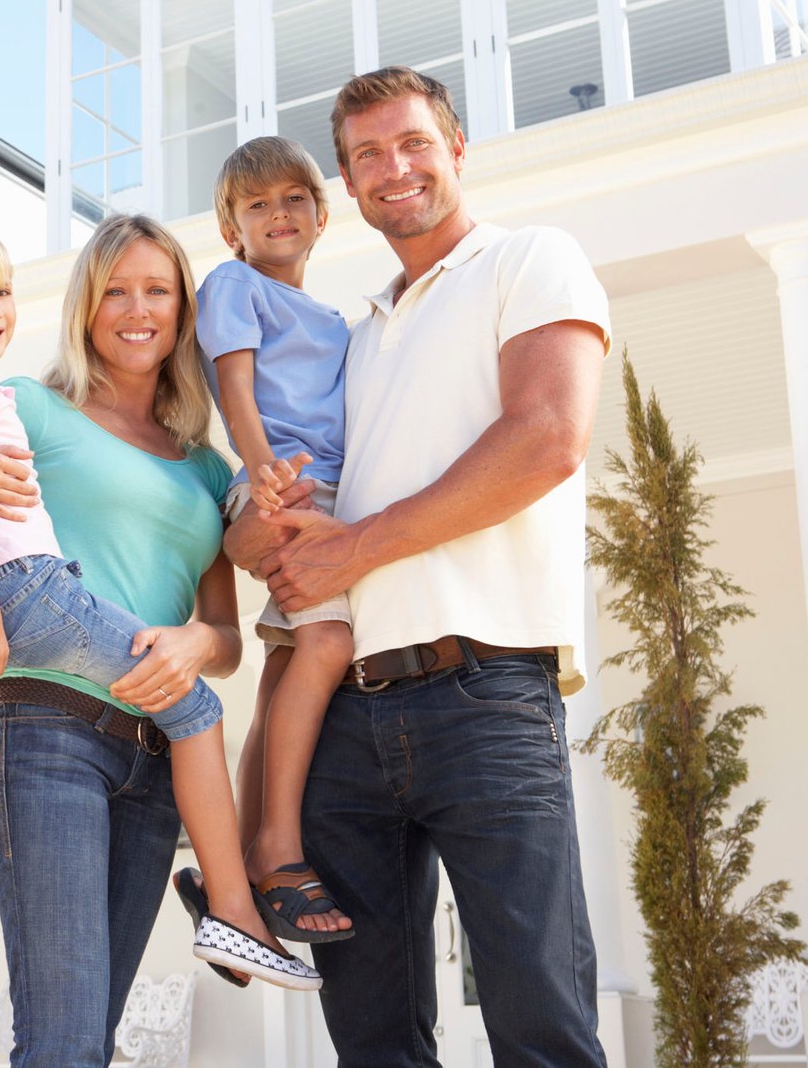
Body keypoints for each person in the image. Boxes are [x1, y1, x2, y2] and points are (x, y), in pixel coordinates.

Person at [226, 67, 612, 1067]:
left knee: (539, 1019)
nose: (391, 168)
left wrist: (355, 544)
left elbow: (545, 438)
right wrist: (255, 528)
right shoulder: (349, 339)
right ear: (347, 186)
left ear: (456, 149)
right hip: (342, 718)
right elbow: (278, 516)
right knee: (374, 1040)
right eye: (365, 156)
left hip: (484, 692)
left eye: (411, 143)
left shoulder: (528, 260)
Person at [0, 214, 314, 1068]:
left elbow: (224, 633)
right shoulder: (26, 403)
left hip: (152, 761)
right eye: (116, 289)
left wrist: (192, 644)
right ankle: (230, 913)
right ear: (85, 306)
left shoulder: (204, 467)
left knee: (87, 1044)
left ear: (183, 311)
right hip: (43, 733)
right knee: (64, 1041)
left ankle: (227, 917)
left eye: (158, 290)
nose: (137, 309)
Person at [193, 137, 356, 943]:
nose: (277, 214)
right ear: (233, 230)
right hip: (284, 485)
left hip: (329, 494)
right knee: (326, 642)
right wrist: (262, 471)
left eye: (293, 198)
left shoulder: (335, 318)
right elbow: (236, 387)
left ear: (321, 216)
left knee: (290, 661)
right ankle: (278, 848)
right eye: (255, 205)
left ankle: (238, 866)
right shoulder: (233, 284)